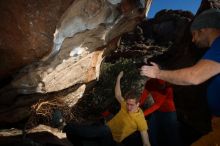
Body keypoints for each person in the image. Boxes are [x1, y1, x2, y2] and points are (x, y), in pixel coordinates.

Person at [140, 8, 220, 146]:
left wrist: (157, 73)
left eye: (194, 34)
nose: (193, 40)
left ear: (205, 28)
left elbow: (194, 76)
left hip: (169, 113)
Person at [64, 71, 151, 146]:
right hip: (103, 133)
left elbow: (146, 142)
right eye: (127, 104)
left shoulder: (140, 119)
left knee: (104, 129)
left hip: (111, 141)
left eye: (131, 105)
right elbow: (118, 95)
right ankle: (71, 133)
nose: (128, 107)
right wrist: (118, 78)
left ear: (138, 104)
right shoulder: (125, 105)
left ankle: (66, 127)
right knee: (96, 127)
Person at [139, 79, 182, 146]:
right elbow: (145, 93)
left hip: (169, 113)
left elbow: (157, 105)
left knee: (173, 136)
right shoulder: (150, 82)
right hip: (157, 112)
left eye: (163, 85)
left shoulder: (168, 88)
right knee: (151, 130)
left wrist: (142, 114)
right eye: (160, 86)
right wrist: (138, 104)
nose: (162, 87)